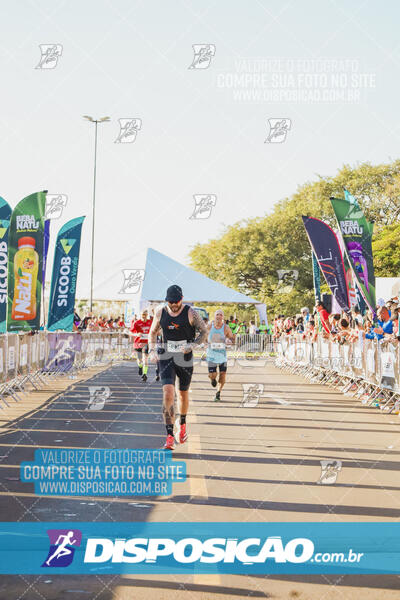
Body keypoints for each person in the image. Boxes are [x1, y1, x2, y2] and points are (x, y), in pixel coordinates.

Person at [149, 285, 207, 450]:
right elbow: (152, 333)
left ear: (182, 299)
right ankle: (168, 435)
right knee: (168, 393)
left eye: (177, 301)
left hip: (185, 357)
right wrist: (152, 350)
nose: (174, 305)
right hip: (166, 355)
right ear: (166, 300)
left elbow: (204, 332)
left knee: (182, 394)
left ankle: (182, 424)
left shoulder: (191, 312)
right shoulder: (160, 311)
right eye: (171, 302)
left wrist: (192, 346)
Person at [206, 309, 235, 401]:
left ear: (223, 317)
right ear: (214, 316)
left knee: (223, 374)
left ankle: (218, 393)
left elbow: (232, 338)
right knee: (213, 374)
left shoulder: (226, 328)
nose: (219, 316)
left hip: (222, 355)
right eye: (217, 315)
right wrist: (205, 343)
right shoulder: (210, 326)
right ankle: (212, 379)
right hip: (211, 354)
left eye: (220, 315)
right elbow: (203, 335)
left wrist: (229, 341)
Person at [130, 309, 153, 382]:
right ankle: (140, 367)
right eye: (143, 314)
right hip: (138, 343)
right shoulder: (136, 322)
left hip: (146, 343)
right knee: (139, 360)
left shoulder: (150, 322)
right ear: (140, 315)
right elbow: (130, 332)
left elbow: (154, 331)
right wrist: (136, 334)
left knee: (145, 358)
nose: (144, 316)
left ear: (147, 315)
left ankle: (144, 374)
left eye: (145, 314)